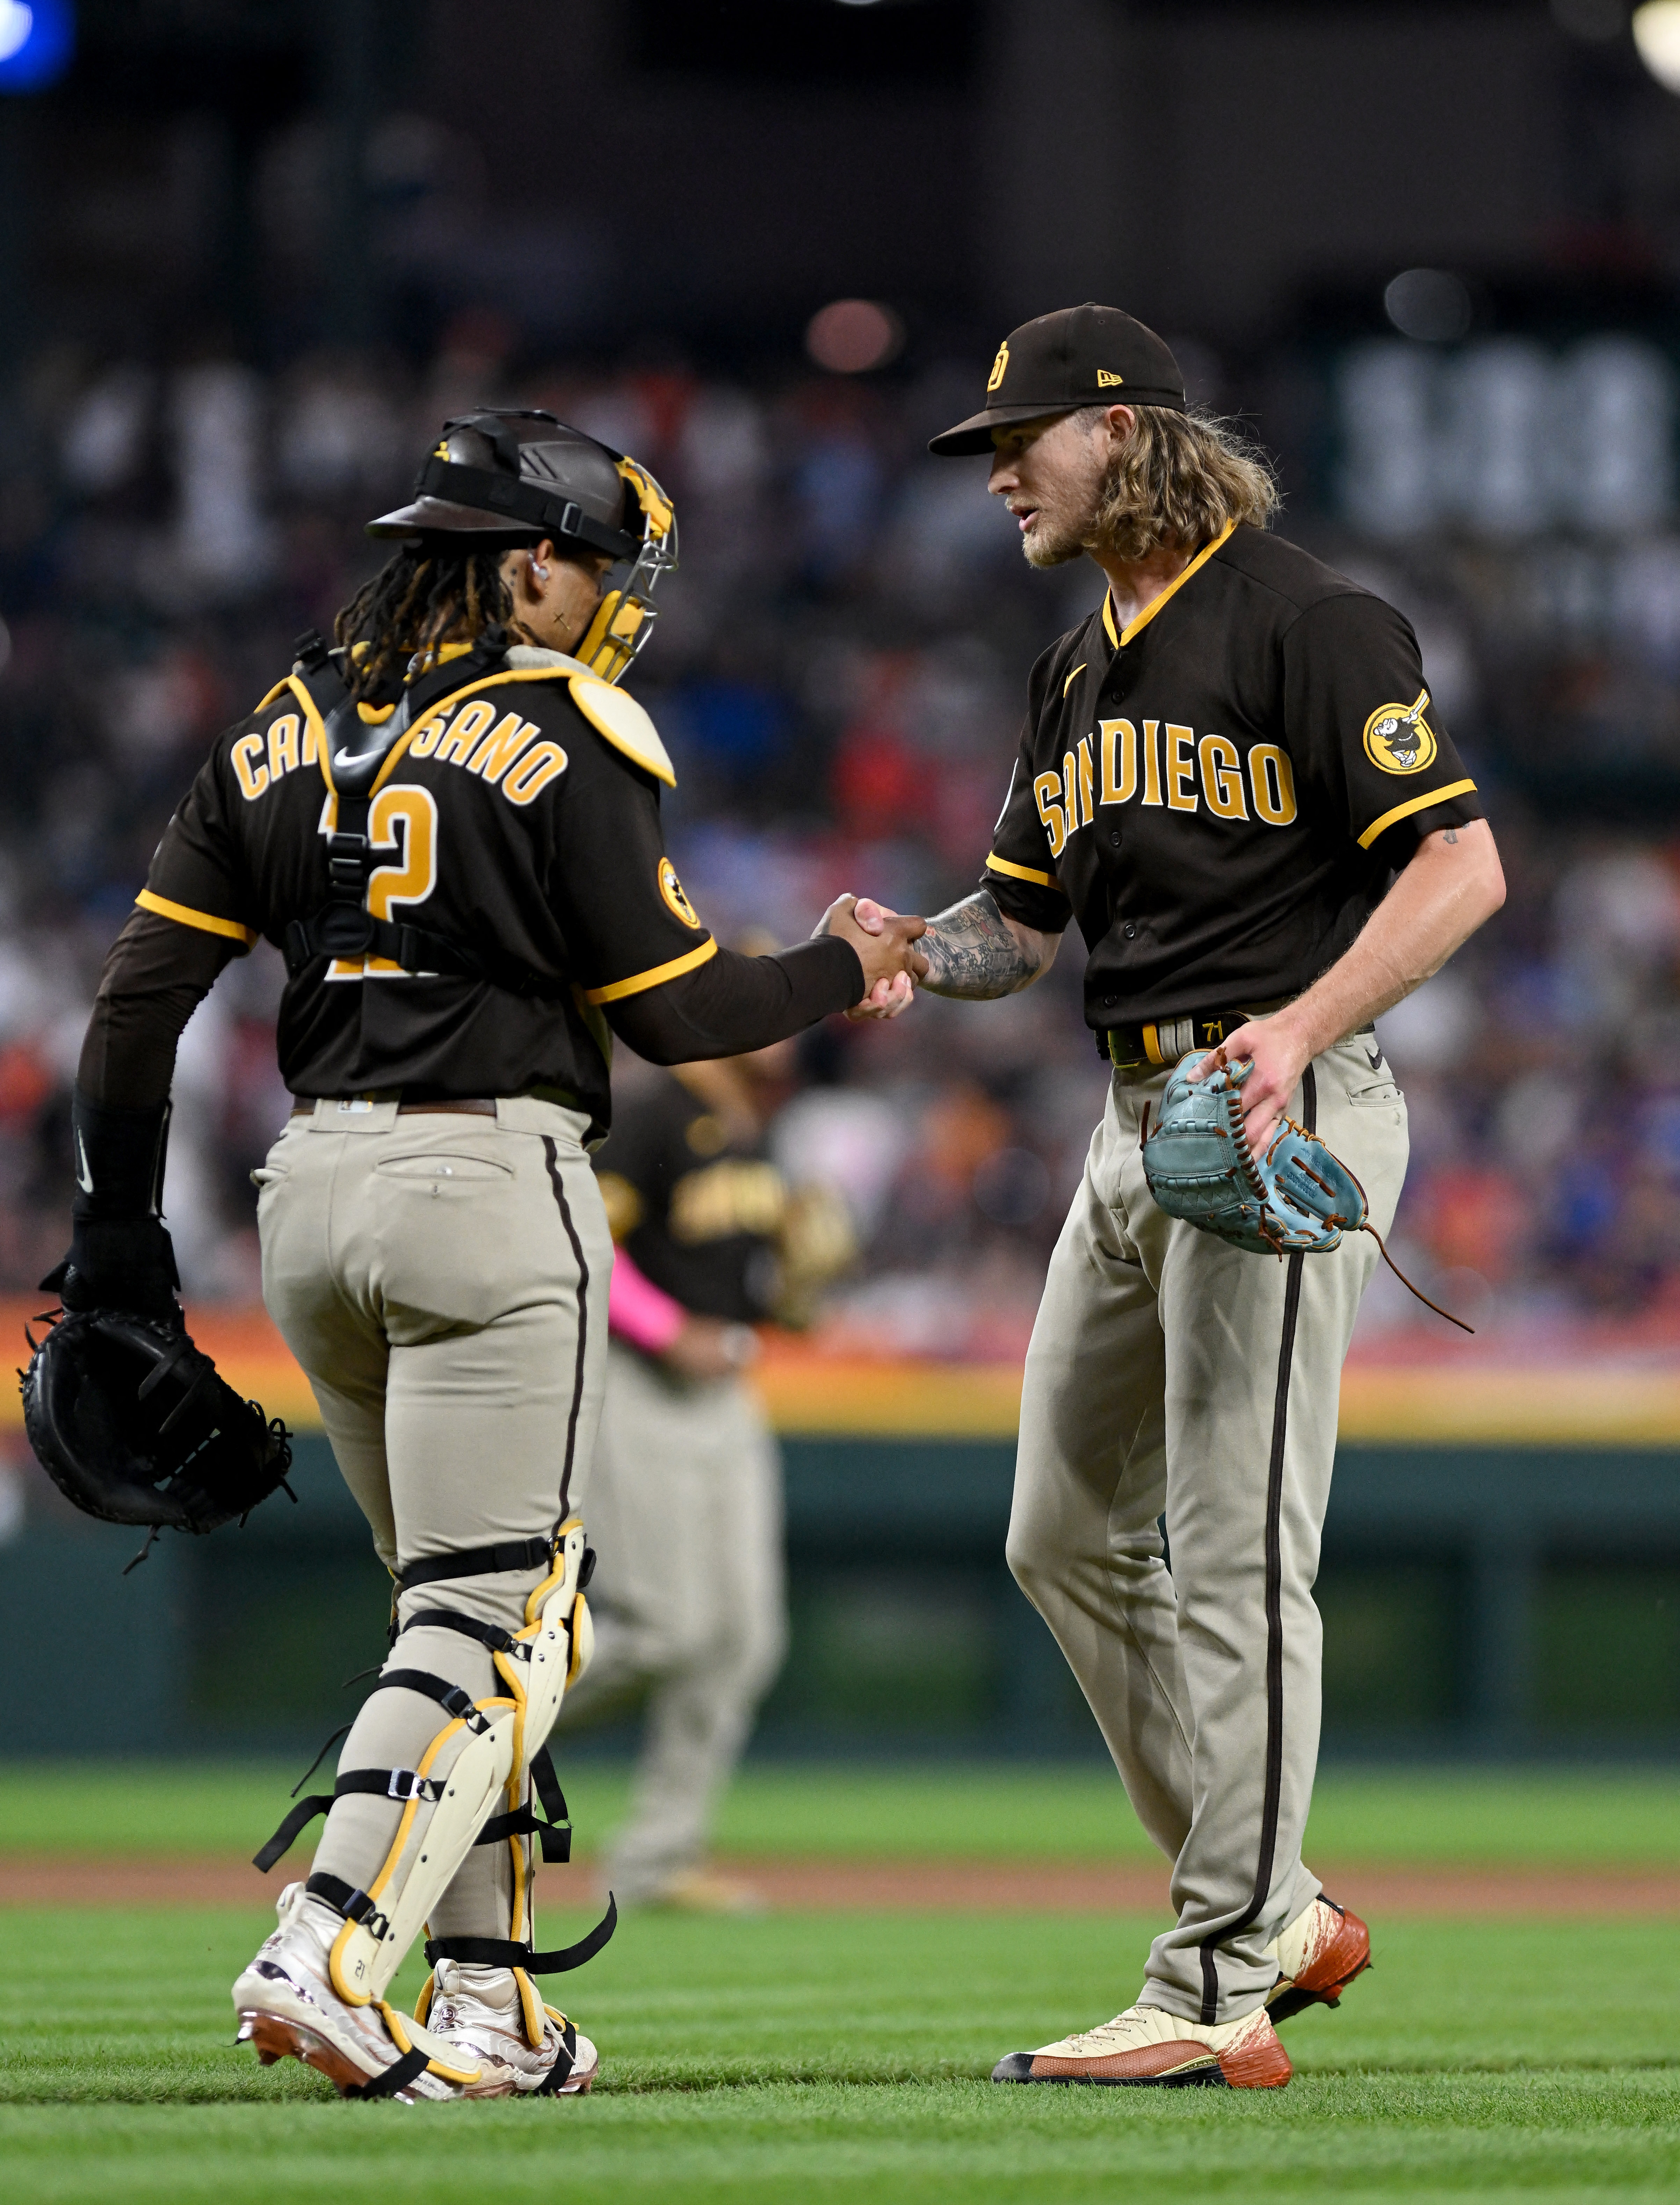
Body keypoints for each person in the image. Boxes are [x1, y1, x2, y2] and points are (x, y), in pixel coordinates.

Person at [51, 407, 924, 2101]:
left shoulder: (280, 725)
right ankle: (321, 1939)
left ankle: (494, 2008)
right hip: (488, 1186)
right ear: (525, 562)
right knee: (514, 1621)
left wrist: (113, 1245)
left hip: (308, 1196)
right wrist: (830, 968)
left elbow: (133, 1016)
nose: (615, 607)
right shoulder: (562, 724)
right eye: (599, 570)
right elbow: (680, 1012)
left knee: (449, 1624)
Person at [852, 305, 1505, 2090]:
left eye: (1023, 441)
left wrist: (1299, 1026)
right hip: (1135, 1126)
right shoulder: (1077, 667)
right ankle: (1276, 1904)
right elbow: (1024, 925)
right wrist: (920, 947)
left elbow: (1462, 862)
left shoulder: (1309, 619)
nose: (996, 474)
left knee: (1234, 1551)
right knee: (1058, 1533)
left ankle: (1215, 1971)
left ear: (1123, 431)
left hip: (1278, 1108)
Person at [558, 1035, 851, 1909]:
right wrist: (662, 1330)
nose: (790, 1032)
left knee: (742, 1640)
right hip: (635, 1382)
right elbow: (584, 1246)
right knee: (665, 1630)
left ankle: (656, 1859)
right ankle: (458, 1733)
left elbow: (757, 1296)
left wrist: (800, 1288)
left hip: (726, 1391)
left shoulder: (754, 1129)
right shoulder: (646, 1111)